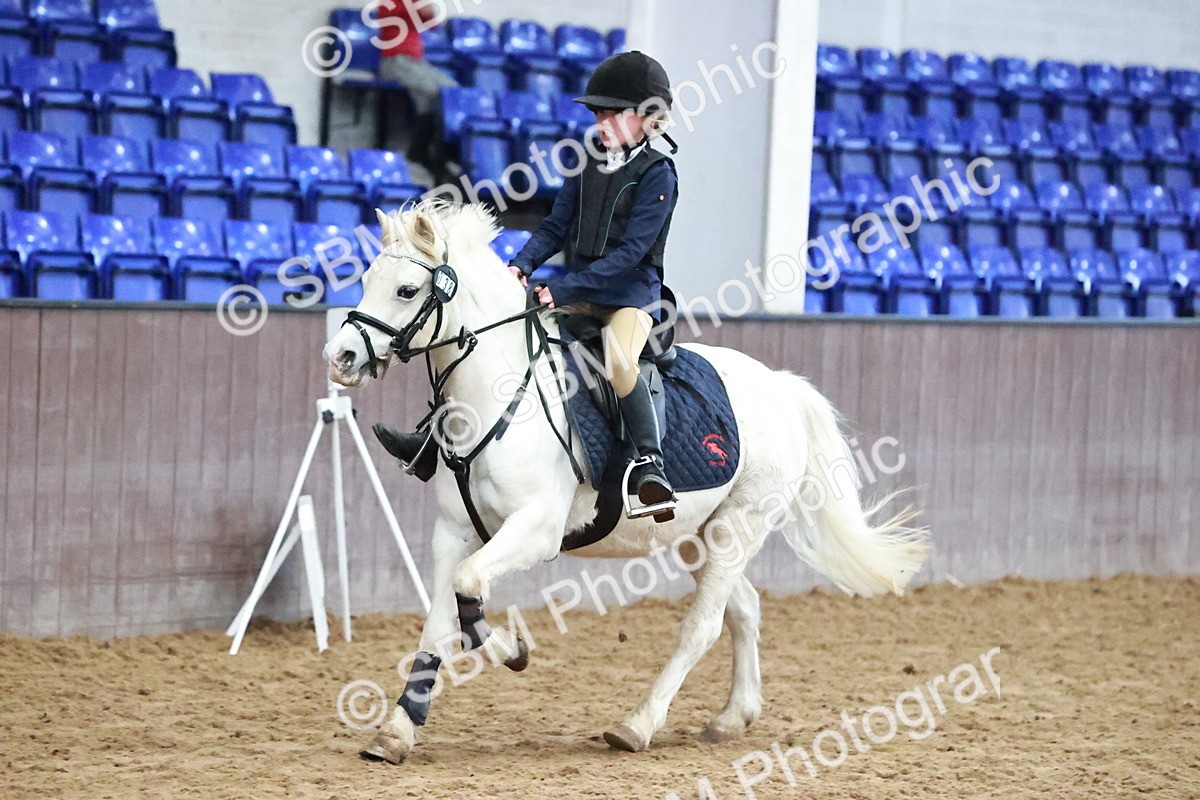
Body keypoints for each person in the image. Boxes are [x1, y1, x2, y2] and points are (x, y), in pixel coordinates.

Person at [376, 51, 681, 522]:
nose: (600, 122)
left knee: (620, 361)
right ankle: (432, 439)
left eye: (611, 113)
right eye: (597, 113)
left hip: (630, 296)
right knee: (496, 347)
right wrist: (519, 266)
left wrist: (563, 288)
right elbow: (556, 226)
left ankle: (649, 462)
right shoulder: (589, 163)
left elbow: (631, 255)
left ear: (646, 118)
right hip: (578, 293)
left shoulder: (658, 175)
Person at [375, 2, 460, 184]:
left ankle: (448, 153)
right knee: (431, 92)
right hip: (395, 61)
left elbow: (432, 23)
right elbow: (392, 15)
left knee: (454, 91)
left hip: (417, 62)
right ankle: (419, 152)